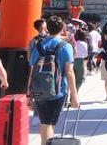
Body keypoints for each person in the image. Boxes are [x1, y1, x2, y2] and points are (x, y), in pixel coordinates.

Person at [28, 16, 80, 145]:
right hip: (58, 90)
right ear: (62, 29)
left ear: (47, 29)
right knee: (50, 123)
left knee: (45, 122)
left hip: (39, 89)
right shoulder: (65, 46)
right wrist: (74, 95)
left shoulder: (38, 46)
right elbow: (69, 72)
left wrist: (28, 94)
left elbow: (32, 71)